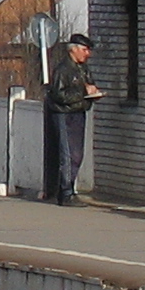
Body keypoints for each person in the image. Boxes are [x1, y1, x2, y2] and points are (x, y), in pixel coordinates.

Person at [44, 32, 102, 205]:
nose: (87, 54)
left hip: (78, 112)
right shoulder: (64, 70)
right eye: (84, 50)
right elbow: (59, 95)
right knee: (68, 154)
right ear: (74, 50)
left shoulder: (82, 69)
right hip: (64, 114)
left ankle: (69, 188)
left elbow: (88, 86)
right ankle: (66, 192)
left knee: (77, 154)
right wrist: (84, 92)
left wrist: (93, 93)